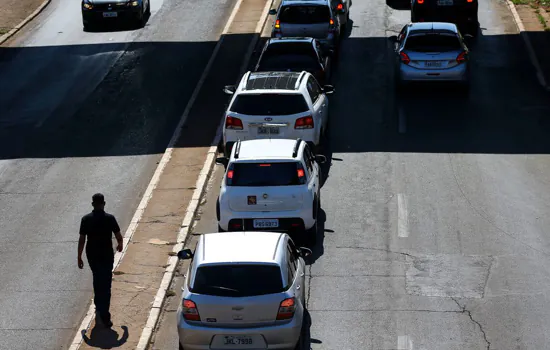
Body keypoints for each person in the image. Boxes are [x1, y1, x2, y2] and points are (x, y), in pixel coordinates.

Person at [78, 193, 123, 328]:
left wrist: (79, 256)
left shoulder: (86, 219)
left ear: (93, 204)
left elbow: (82, 239)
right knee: (106, 284)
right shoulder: (110, 219)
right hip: (106, 255)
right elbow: (119, 236)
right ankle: (104, 316)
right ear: (104, 203)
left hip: (92, 255)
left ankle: (98, 309)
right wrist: (120, 245)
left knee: (97, 280)